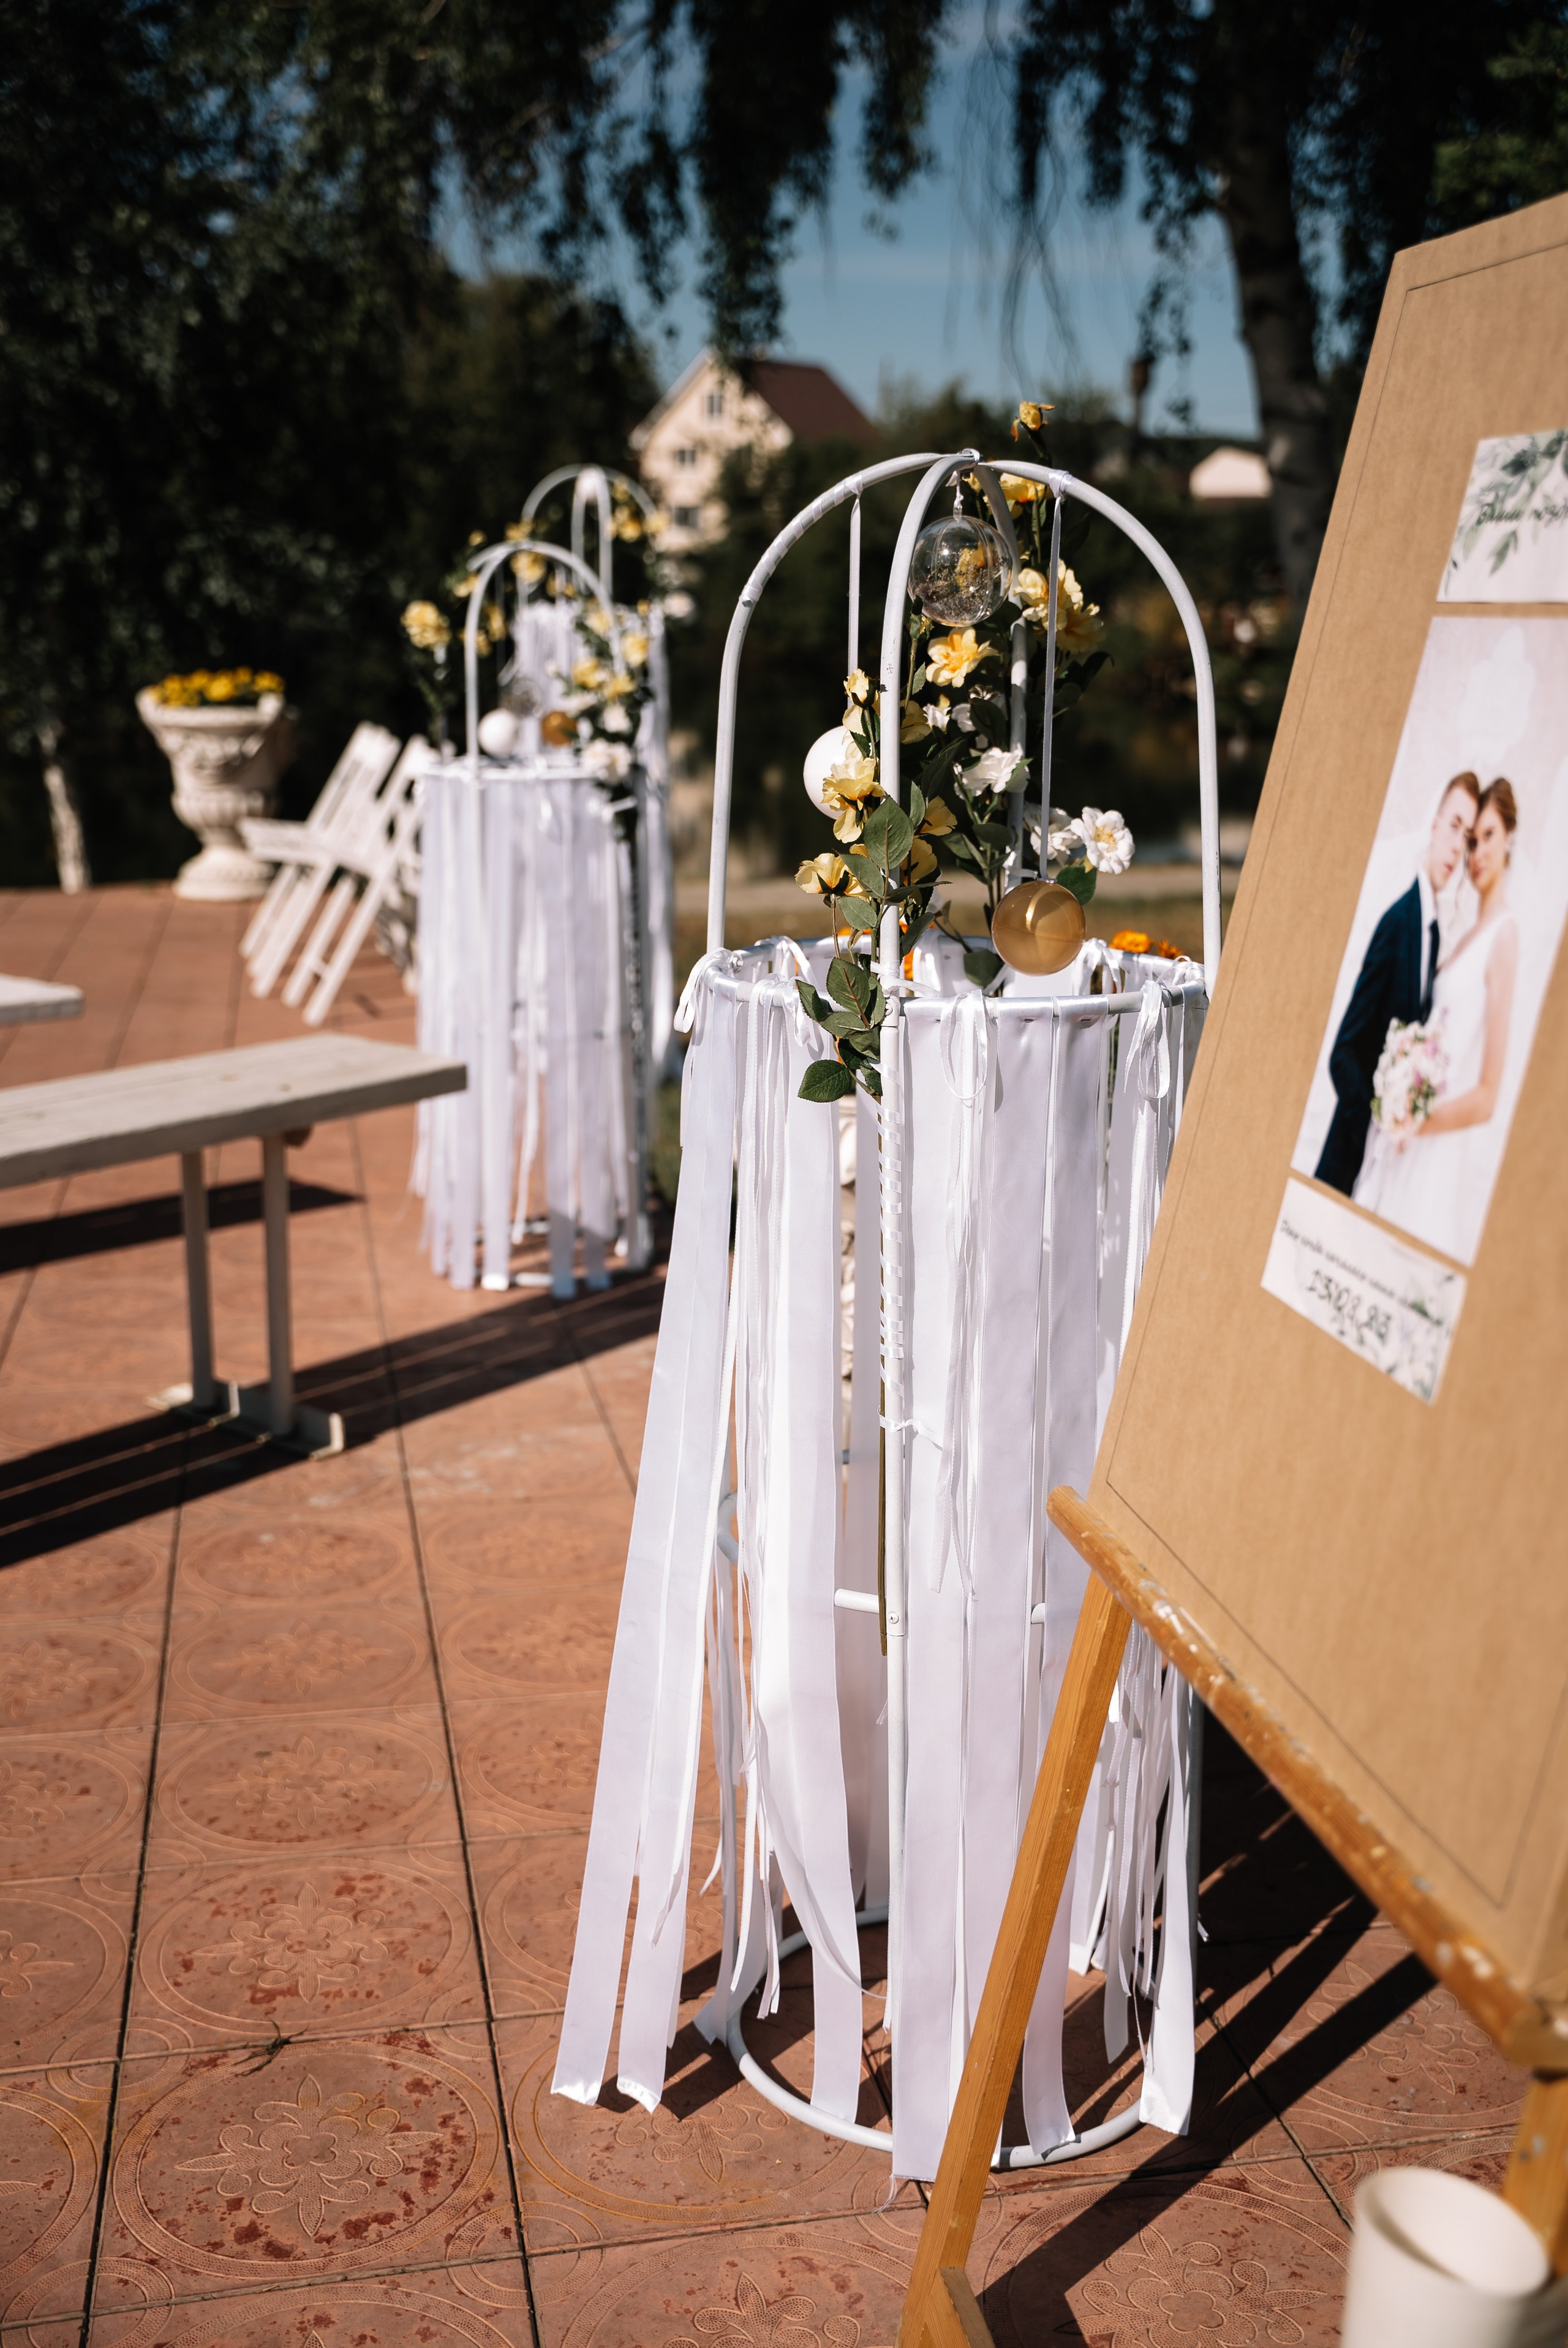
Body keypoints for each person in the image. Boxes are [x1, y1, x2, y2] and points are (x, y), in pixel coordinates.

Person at [1357, 779, 1519, 1261]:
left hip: (1435, 1149)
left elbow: (1489, 1096)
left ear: (1510, 836)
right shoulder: (1466, 935)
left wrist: (1416, 1121)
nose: (1477, 853)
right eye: (1472, 841)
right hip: (1407, 1136)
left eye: (1488, 836)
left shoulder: (1504, 937)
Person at [1314, 772, 1479, 1195]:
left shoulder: (1433, 932)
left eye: (1469, 836)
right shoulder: (1398, 922)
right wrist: (1376, 1121)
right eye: (1455, 826)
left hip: (1386, 1170)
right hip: (1349, 1162)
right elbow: (1343, 1052)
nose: (1459, 845)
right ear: (1435, 824)